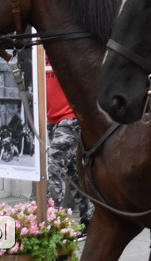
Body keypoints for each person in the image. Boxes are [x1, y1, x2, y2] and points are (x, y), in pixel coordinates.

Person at [45, 57, 93, 229]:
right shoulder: (39, 52)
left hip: (70, 118)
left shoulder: (59, 45)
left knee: (54, 165)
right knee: (71, 170)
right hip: (52, 119)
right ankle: (90, 216)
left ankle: (52, 222)